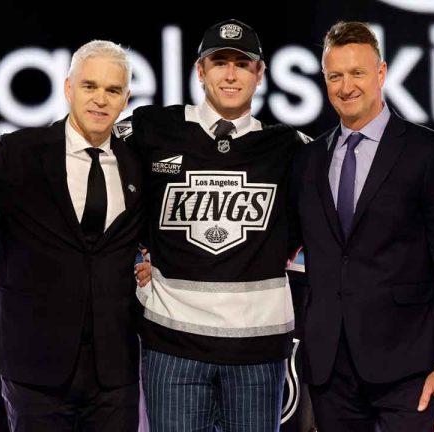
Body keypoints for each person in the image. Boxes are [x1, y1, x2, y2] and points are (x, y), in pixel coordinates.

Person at [130, 19, 308, 431]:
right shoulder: (151, 128)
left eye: (242, 64)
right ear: (200, 70)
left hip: (258, 351)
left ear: (259, 74)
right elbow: (85, 154)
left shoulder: (290, 147)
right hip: (172, 343)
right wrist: (0, 154)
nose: (230, 74)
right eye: (219, 62)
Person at [290, 21, 434, 431]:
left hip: (413, 369)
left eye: (357, 73)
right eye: (335, 75)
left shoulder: (430, 153)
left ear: (382, 73)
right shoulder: (308, 159)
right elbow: (282, 243)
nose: (346, 86)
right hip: (330, 367)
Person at [0, 40, 145, 431]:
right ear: (68, 88)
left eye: (113, 90)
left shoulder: (138, 165)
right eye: (89, 86)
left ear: (126, 98)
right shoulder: (15, 154)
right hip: (33, 361)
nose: (100, 99)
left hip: (114, 368)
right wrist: (4, 280)